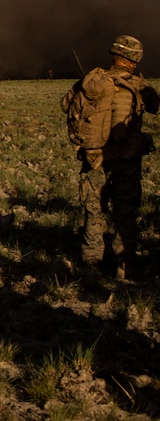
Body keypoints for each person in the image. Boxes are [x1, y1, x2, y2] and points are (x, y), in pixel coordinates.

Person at [66, 35, 159, 279]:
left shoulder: (92, 81)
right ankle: (123, 264)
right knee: (125, 211)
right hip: (126, 161)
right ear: (134, 59)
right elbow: (155, 105)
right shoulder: (137, 85)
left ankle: (91, 263)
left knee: (94, 210)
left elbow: (66, 103)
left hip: (95, 158)